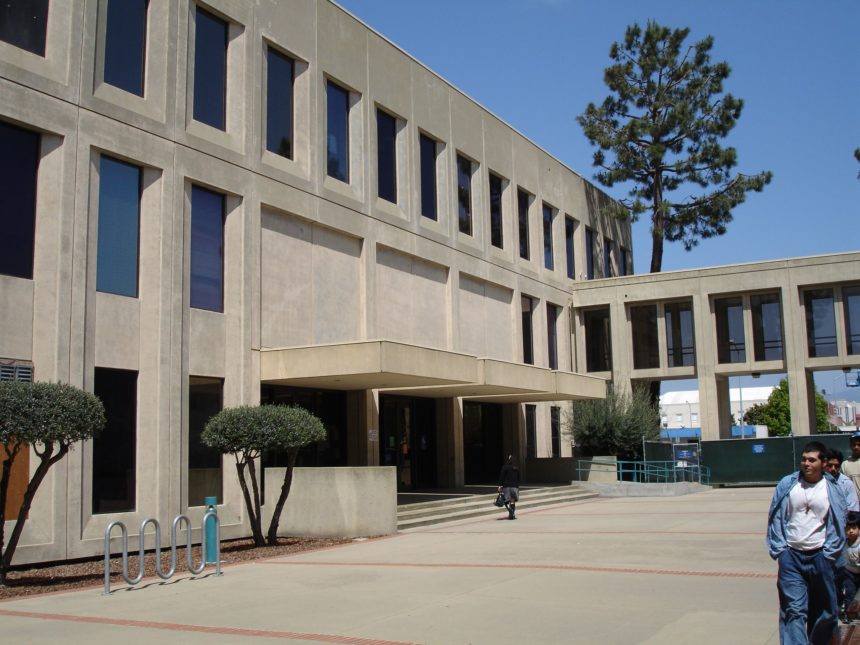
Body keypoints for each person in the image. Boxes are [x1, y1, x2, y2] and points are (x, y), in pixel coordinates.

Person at [767, 440, 847, 644]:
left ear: (823, 463)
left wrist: (829, 554)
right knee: (793, 610)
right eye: (803, 459)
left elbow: (839, 521)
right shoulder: (788, 484)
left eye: (812, 460)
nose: (806, 463)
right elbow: (776, 516)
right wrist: (781, 550)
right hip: (791, 556)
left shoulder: (832, 488)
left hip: (820, 556)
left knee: (825, 612)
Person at [840, 511, 860, 622]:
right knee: (849, 593)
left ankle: (857, 611)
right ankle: (848, 614)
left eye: (854, 528)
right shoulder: (844, 542)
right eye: (848, 529)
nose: (850, 531)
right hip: (849, 572)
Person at [498, 454, 520, 520]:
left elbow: (501, 477)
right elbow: (519, 477)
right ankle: (511, 515)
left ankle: (510, 510)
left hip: (506, 486)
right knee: (512, 500)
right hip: (514, 486)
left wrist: (499, 485)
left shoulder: (505, 467)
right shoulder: (516, 467)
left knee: (505, 500)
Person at [841, 432, 860, 499]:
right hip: (852, 506)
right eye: (854, 444)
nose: (856, 447)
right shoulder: (844, 465)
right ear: (850, 446)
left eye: (859, 444)